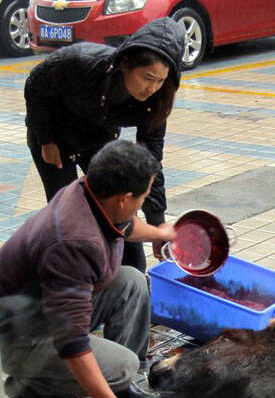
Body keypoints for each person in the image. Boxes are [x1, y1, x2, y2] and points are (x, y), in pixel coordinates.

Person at [0, 141, 176, 398]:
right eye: (144, 197)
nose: (143, 203)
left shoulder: (91, 192)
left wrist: (161, 233)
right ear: (124, 199)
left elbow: (125, 226)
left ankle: (121, 385)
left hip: (41, 309)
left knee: (131, 281)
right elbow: (71, 341)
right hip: (16, 336)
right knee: (124, 364)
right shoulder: (73, 242)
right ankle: (33, 391)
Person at [24, 17, 184, 272]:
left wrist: (157, 227)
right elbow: (35, 86)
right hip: (52, 133)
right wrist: (46, 139)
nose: (152, 88)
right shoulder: (82, 62)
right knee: (68, 213)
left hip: (97, 137)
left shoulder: (157, 102)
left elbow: (150, 166)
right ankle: (73, 274)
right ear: (126, 65)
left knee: (118, 207)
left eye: (161, 80)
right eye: (148, 77)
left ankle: (132, 275)